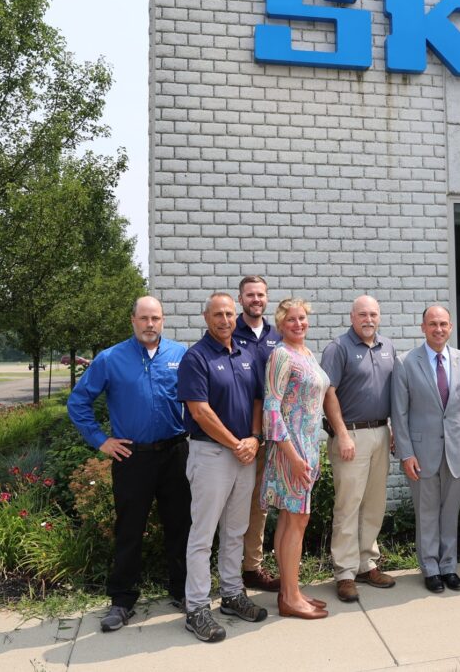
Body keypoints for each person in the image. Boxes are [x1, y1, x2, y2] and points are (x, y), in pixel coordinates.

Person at [66, 296, 189, 632]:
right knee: (129, 529)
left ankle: (183, 591)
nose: (150, 324)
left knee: (180, 525)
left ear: (163, 320)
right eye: (144, 318)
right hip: (132, 457)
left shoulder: (180, 355)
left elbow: (197, 399)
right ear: (133, 320)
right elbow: (78, 402)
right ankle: (122, 600)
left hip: (175, 453)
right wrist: (100, 440)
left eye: (156, 318)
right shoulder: (110, 359)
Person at [178, 293, 268, 643]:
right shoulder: (196, 357)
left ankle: (231, 594)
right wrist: (236, 444)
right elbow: (199, 411)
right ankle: (197, 608)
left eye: (230, 314)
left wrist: (255, 438)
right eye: (218, 314)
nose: (225, 320)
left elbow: (257, 400)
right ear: (206, 318)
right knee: (202, 535)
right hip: (212, 455)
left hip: (244, 454)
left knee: (236, 530)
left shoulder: (245, 354)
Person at [391, 305, 460, 593]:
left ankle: (449, 567)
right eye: (432, 324)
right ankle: (430, 568)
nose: (438, 329)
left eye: (443, 324)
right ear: (423, 328)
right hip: (421, 452)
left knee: (450, 512)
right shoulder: (405, 363)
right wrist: (406, 453)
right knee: (427, 512)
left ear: (451, 327)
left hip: (458, 450)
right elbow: (399, 413)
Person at [321, 295, 397, 603]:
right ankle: (345, 572)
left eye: (373, 314)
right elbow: (328, 393)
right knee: (348, 505)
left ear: (379, 317)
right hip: (350, 436)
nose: (368, 319)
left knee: (374, 503)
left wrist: (393, 429)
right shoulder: (338, 348)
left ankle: (367, 563)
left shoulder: (387, 346)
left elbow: (394, 391)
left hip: (381, 432)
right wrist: (341, 434)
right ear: (352, 317)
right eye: (362, 314)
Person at [261, 298, 331, 619]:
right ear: (280, 324)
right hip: (290, 449)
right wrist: (292, 456)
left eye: (302, 318)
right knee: (297, 519)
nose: (298, 323)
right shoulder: (281, 354)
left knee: (292, 519)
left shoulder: (306, 353)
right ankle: (289, 598)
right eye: (291, 319)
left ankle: (291, 590)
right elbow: (271, 408)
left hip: (308, 447)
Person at [233, 275, 282, 592]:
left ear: (266, 298)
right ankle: (228, 570)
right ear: (241, 299)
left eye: (260, 295)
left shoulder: (276, 336)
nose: (256, 299)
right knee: (230, 502)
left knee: (258, 503)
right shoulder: (229, 332)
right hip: (236, 436)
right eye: (250, 295)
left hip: (269, 435)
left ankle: (251, 567)